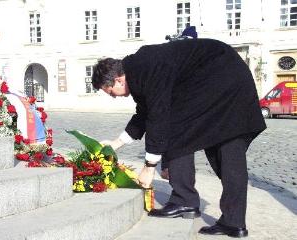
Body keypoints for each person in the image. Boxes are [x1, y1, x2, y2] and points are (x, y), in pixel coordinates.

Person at [91, 38, 266, 238]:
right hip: (229, 82)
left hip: (220, 80)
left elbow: (158, 116)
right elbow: (145, 114)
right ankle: (233, 222)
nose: (114, 96)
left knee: (178, 130)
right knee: (228, 149)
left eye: (110, 92)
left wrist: (149, 167)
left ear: (119, 80)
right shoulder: (139, 69)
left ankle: (184, 200)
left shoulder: (144, 68)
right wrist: (117, 143)